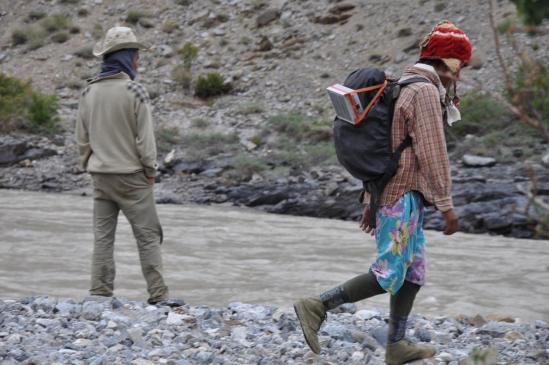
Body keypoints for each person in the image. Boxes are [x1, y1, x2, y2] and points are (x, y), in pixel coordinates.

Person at [294, 21, 472, 365]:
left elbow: (382, 148)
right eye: (460, 67)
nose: (459, 76)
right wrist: (447, 205)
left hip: (399, 195)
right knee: (389, 272)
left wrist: (369, 200)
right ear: (449, 62)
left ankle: (396, 345)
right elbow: (431, 152)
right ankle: (316, 305)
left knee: (413, 273)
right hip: (401, 195)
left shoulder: (403, 85)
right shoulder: (422, 91)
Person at [76, 26, 178, 306]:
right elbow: (146, 142)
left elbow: (82, 140)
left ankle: (99, 293)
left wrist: (90, 166)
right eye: (135, 55)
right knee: (148, 235)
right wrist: (151, 171)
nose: (138, 61)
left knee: (103, 237)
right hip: (132, 177)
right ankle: (158, 295)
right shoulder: (135, 91)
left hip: (100, 176)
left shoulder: (88, 92)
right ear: (125, 57)